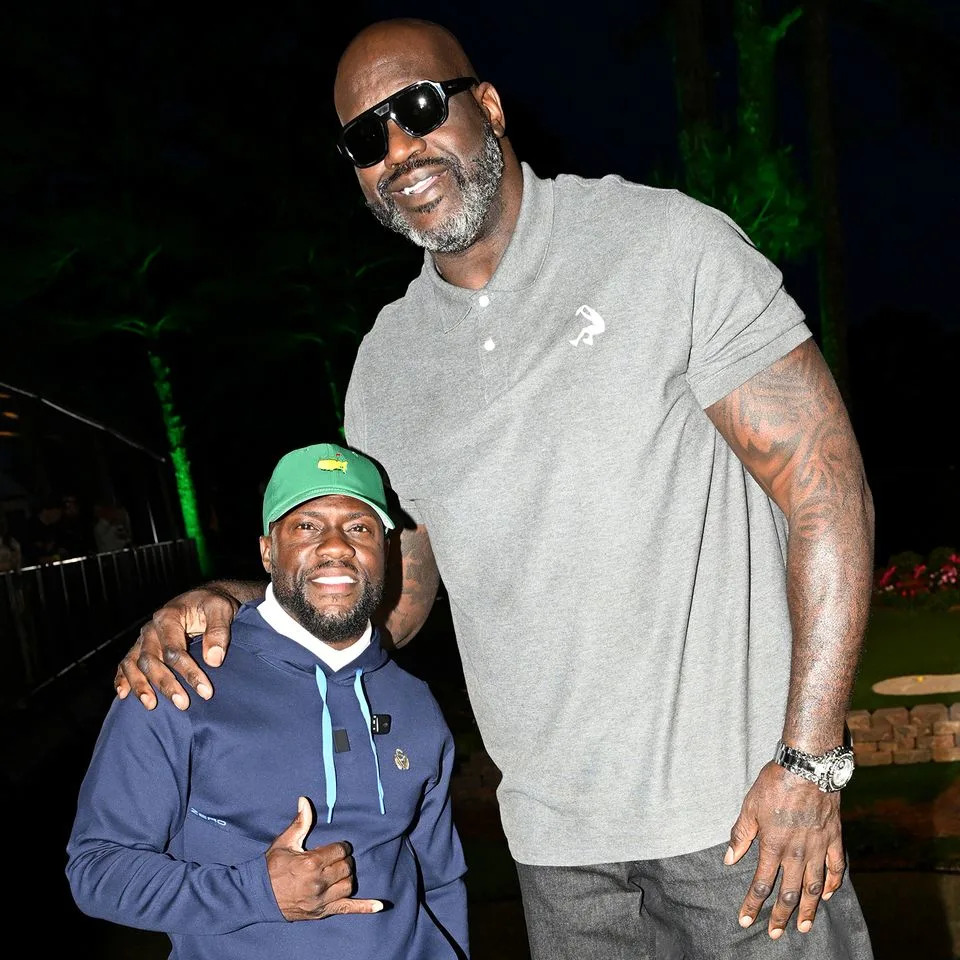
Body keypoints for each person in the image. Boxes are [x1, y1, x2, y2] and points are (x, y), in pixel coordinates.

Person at [114, 18, 876, 960]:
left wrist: (809, 763)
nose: (398, 151)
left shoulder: (663, 245)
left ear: (490, 107)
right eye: (366, 139)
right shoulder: (385, 368)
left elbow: (826, 492)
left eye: (419, 109)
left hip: (741, 822)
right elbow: (393, 600)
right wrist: (224, 610)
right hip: (557, 857)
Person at [68, 442, 469, 960]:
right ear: (267, 551)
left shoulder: (415, 702)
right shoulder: (182, 680)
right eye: (306, 526)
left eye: (359, 527)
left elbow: (440, 879)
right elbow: (98, 870)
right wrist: (256, 891)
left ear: (386, 553)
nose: (336, 546)